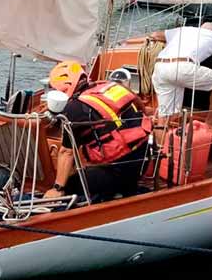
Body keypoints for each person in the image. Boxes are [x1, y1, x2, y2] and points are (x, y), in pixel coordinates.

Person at [43, 61, 151, 202]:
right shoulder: (109, 86)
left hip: (118, 172)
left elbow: (67, 152)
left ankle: (106, 199)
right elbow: (138, 104)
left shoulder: (74, 109)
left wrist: (58, 188)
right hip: (143, 160)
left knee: (70, 185)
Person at [149, 22, 212, 122]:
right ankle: (209, 121)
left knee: (164, 118)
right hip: (182, 68)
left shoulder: (184, 29)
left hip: (160, 68)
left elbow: (154, 35)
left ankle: (161, 133)